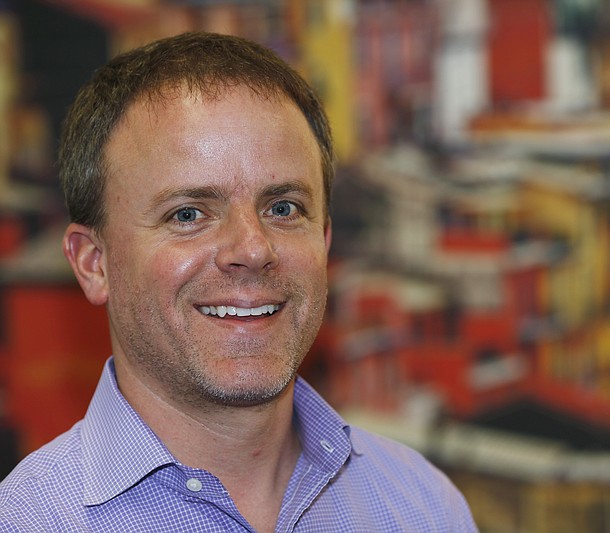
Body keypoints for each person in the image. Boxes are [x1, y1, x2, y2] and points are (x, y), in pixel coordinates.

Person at [0, 32, 477, 532]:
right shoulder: (31, 521)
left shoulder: (422, 505)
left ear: (325, 239)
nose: (253, 249)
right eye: (188, 213)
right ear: (94, 263)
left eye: (284, 208)